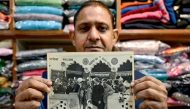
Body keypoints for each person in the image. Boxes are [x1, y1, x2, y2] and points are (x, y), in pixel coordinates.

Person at [15, 1, 168, 109]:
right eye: (84, 28)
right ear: (72, 37)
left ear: (114, 37)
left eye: (102, 28)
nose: (93, 36)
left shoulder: (143, 88)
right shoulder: (43, 87)